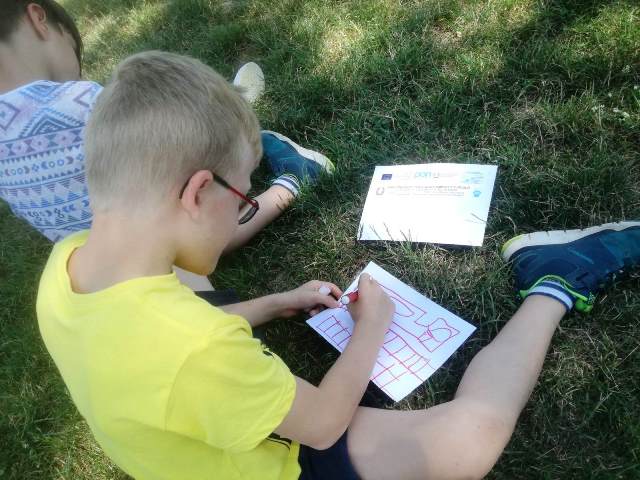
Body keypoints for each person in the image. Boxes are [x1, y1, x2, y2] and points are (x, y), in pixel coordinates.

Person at [36, 50, 640, 480]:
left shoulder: (68, 263)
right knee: (467, 441)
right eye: (244, 197)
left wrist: (274, 303)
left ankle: (291, 183)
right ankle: (555, 280)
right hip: (254, 463)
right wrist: (373, 325)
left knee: (187, 278)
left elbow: (152, 340)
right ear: (198, 192)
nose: (243, 210)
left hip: (177, 430)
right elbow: (323, 423)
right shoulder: (199, 350)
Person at [0, 0, 333, 290]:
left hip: (95, 272)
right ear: (39, 19)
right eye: (73, 46)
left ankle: (229, 109)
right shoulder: (81, 102)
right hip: (167, 255)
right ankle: (292, 180)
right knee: (209, 207)